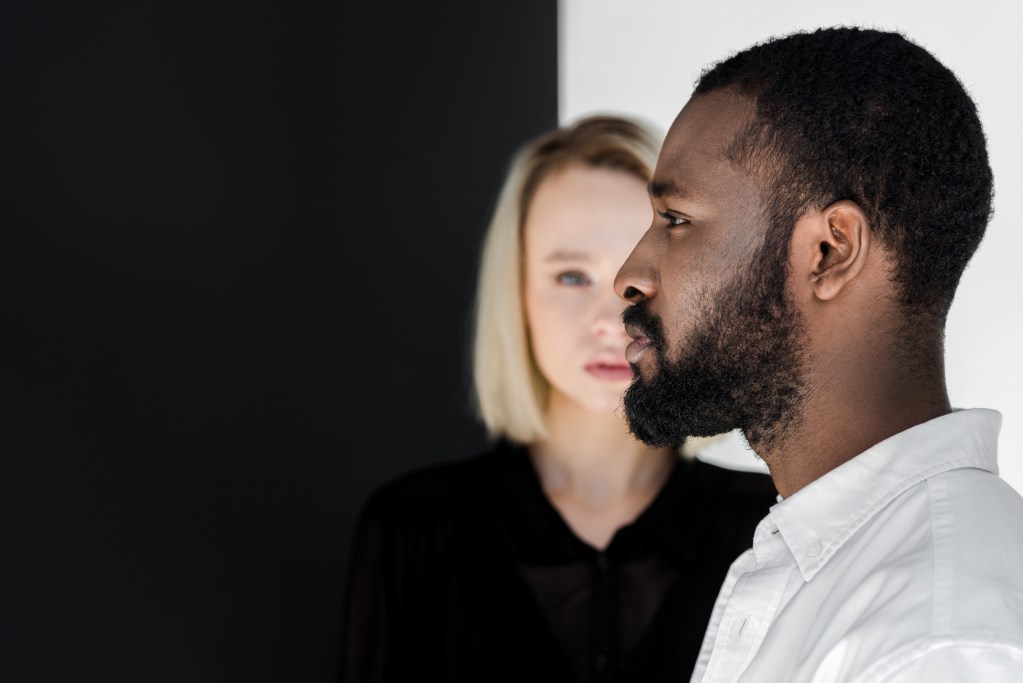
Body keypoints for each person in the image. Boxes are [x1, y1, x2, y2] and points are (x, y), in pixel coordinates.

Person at [613, 26, 1023, 683]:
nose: (629, 274)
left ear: (829, 251)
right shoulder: (839, 569)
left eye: (677, 220)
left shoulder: (939, 644)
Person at [339, 115, 778, 683]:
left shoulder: (770, 531)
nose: (608, 320)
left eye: (637, 275)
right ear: (516, 292)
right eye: (571, 277)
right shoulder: (414, 529)